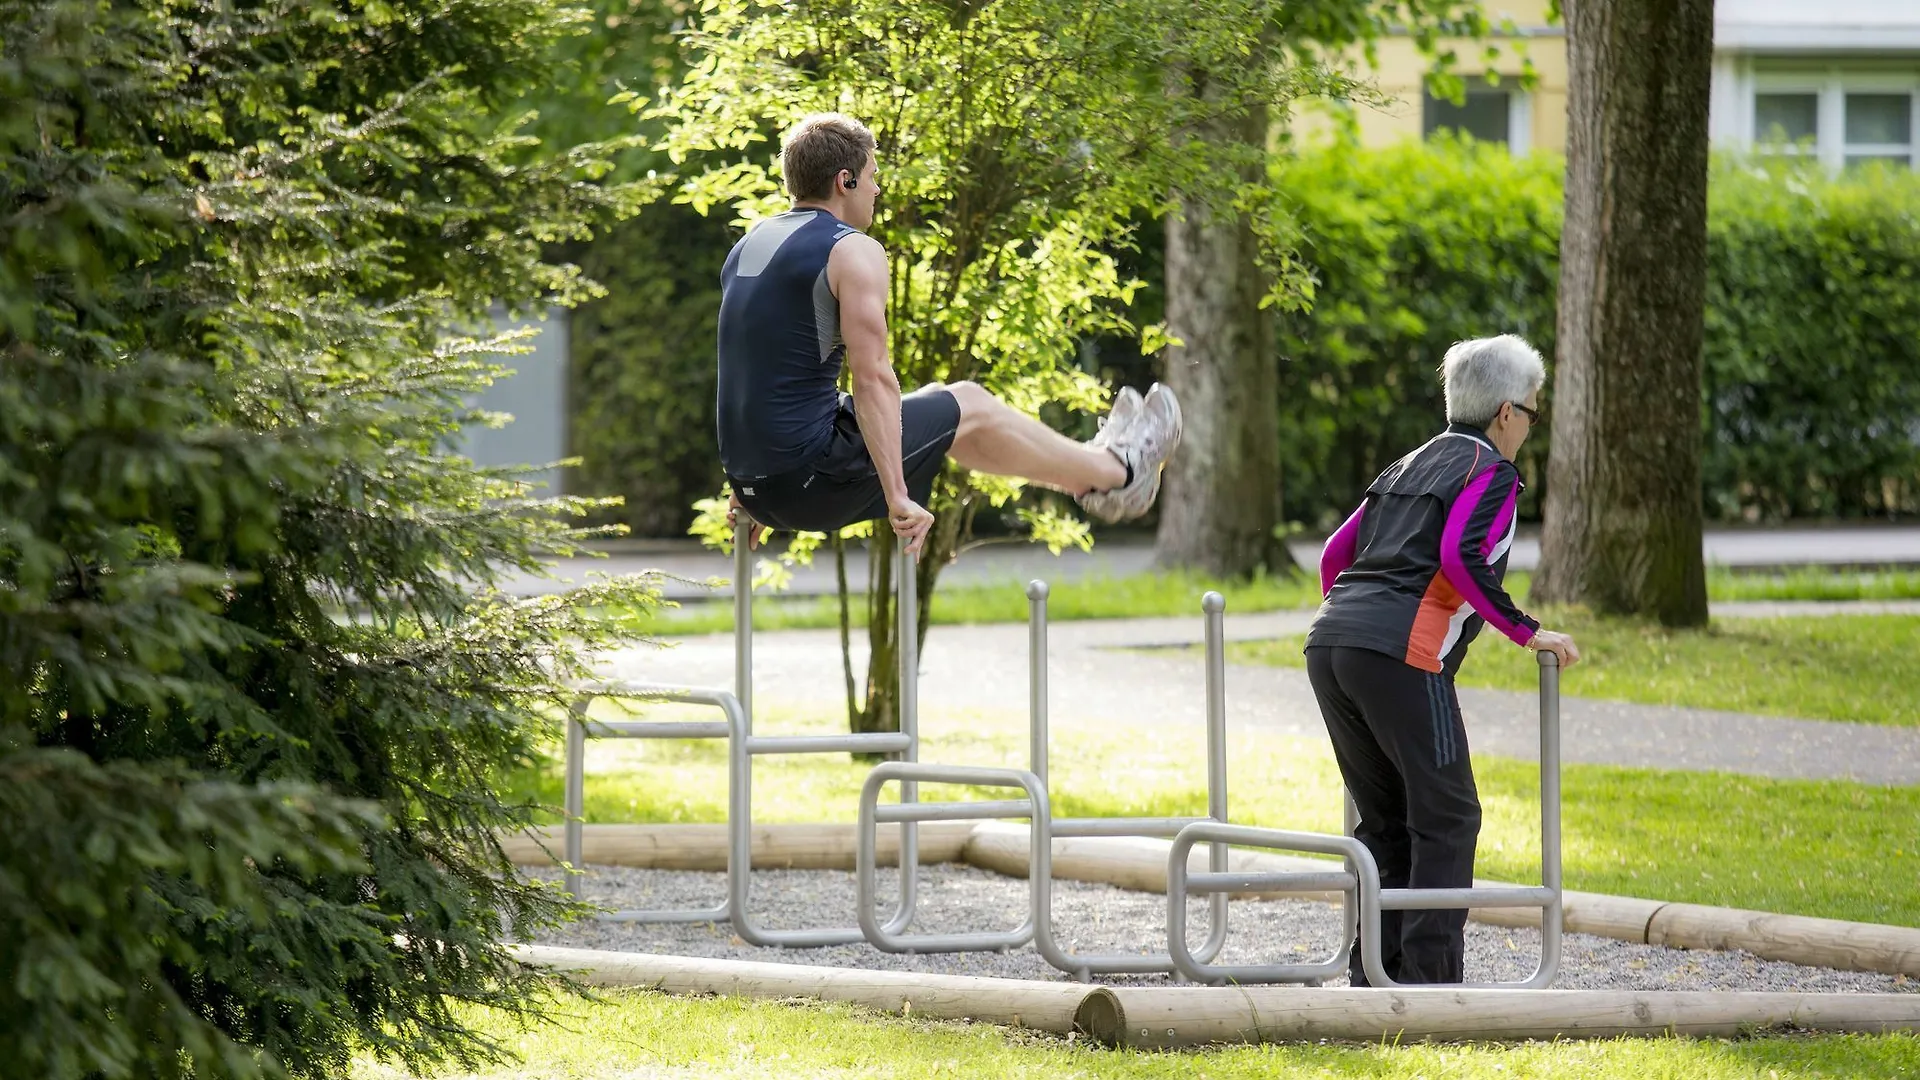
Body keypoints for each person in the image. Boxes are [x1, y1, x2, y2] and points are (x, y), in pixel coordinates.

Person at [715, 113, 1180, 555]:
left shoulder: (749, 245)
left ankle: (1096, 474)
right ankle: (1119, 470)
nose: (876, 189)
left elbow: (747, 373)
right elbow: (872, 377)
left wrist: (749, 485)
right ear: (845, 180)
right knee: (969, 402)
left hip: (762, 487)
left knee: (950, 415)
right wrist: (898, 498)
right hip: (808, 480)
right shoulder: (851, 249)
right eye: (872, 176)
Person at [1305, 333, 1581, 987]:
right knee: (1449, 815)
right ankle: (1430, 985)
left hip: (1330, 642)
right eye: (1534, 413)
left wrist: (1357, 628)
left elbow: (1332, 559)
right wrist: (1526, 630)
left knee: (1391, 819)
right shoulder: (1491, 472)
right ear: (1507, 412)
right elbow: (1460, 556)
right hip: (1400, 651)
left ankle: (1378, 975)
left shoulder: (1407, 464)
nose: (1529, 430)